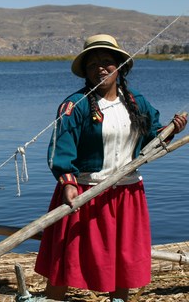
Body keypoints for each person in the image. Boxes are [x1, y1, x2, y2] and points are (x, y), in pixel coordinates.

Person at [34, 34, 187, 301]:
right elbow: (61, 149)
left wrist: (170, 131)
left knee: (123, 256)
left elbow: (151, 136)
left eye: (107, 62)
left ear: (120, 67)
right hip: (85, 192)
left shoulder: (136, 101)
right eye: (93, 64)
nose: (100, 68)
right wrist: (68, 182)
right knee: (67, 257)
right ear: (85, 72)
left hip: (127, 193)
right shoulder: (75, 106)